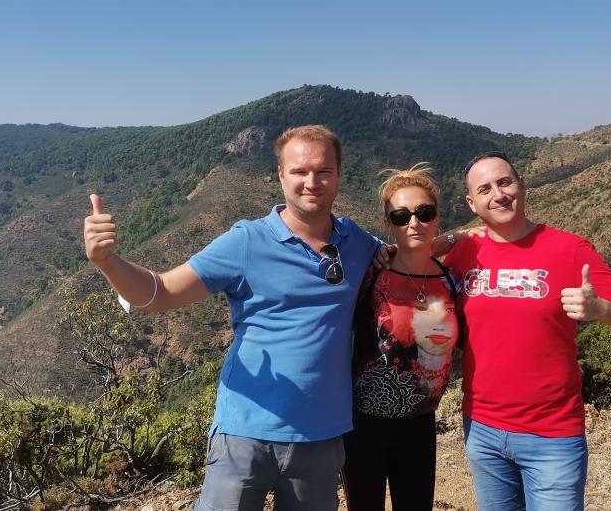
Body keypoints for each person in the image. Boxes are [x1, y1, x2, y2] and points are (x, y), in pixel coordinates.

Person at [83, 125, 387, 511]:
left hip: (321, 436)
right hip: (245, 433)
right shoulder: (246, 242)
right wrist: (106, 261)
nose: (312, 182)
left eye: (323, 171)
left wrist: (465, 239)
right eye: (299, 171)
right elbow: (160, 294)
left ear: (339, 175)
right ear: (280, 175)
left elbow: (405, 256)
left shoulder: (356, 242)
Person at [442, 151, 611, 511]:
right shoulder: (462, 253)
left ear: (521, 184)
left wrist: (600, 309)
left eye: (505, 182)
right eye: (485, 189)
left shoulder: (569, 249)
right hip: (482, 429)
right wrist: (449, 236)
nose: (498, 194)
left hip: (552, 434)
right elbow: (402, 257)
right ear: (472, 202)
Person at [341, 163, 461, 511]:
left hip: (420, 423)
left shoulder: (450, 280)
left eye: (424, 213)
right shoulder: (372, 272)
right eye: (401, 215)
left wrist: (462, 236)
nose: (414, 223)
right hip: (364, 425)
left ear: (438, 217)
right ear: (388, 222)